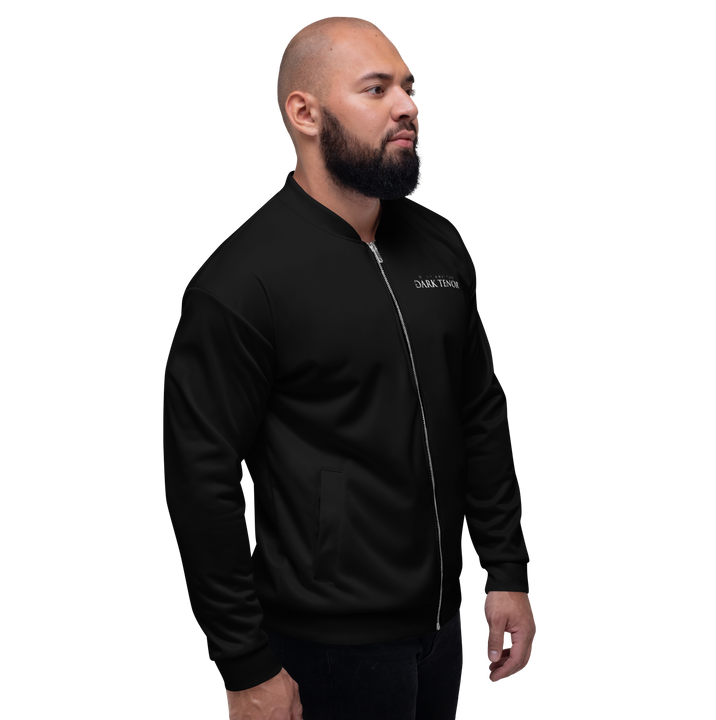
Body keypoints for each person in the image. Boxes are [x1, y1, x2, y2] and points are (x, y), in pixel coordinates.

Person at [160, 13, 538, 720]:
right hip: (324, 646)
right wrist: (243, 662)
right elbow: (201, 481)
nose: (407, 107)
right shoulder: (241, 283)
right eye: (376, 88)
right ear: (304, 114)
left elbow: (480, 411)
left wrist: (506, 571)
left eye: (410, 88)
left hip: (444, 628)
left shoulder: (440, 243)